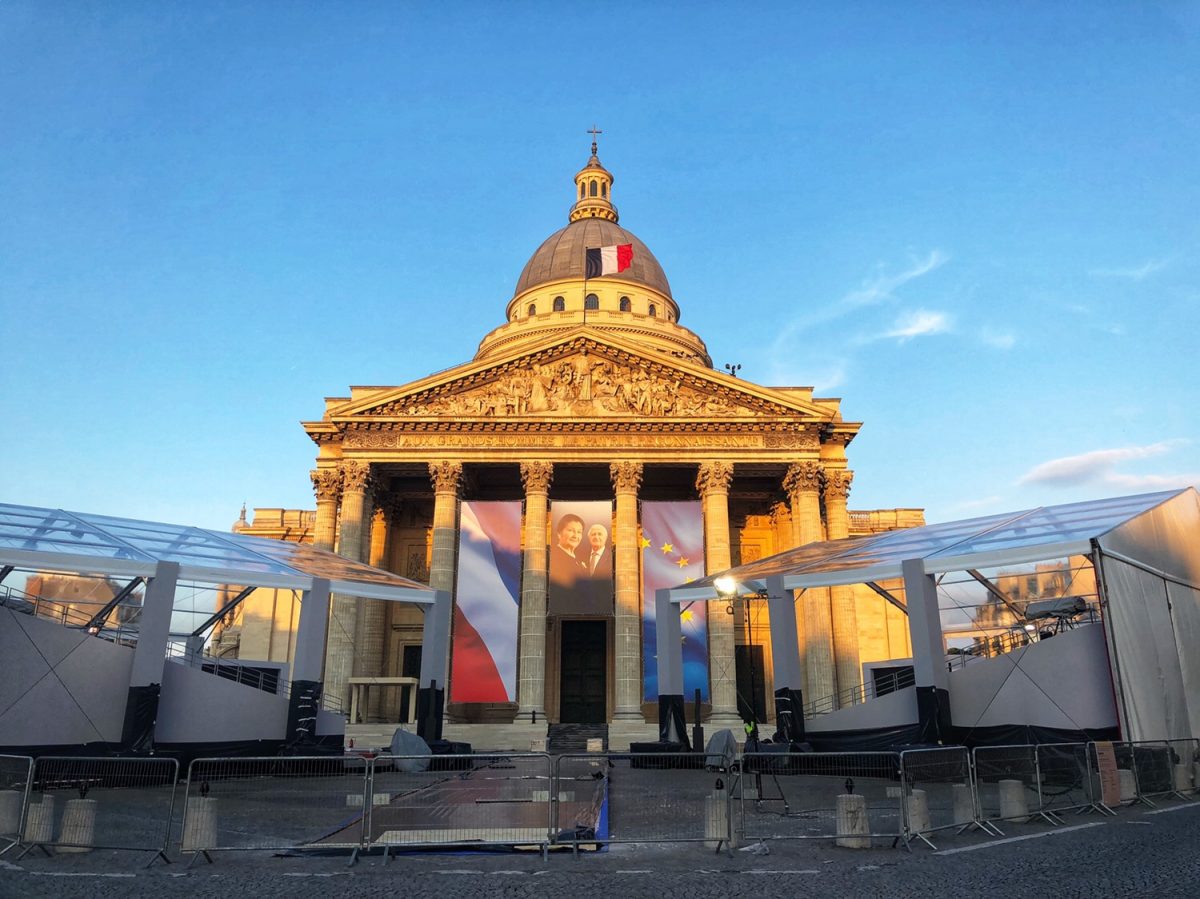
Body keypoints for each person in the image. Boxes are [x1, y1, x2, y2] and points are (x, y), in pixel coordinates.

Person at [549, 513, 587, 594]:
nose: (575, 536)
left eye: (579, 532)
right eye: (570, 530)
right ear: (559, 534)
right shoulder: (554, 558)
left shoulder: (580, 562)